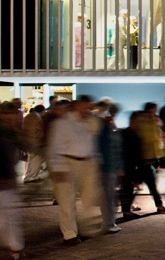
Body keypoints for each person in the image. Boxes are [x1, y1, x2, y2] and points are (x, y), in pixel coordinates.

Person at [47, 96, 103, 245]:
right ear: (77, 107)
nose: (88, 111)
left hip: (87, 163)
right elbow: (54, 147)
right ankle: (69, 234)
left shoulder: (87, 122)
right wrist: (58, 168)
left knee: (90, 198)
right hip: (68, 162)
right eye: (86, 107)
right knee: (67, 201)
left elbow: (93, 142)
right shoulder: (62, 123)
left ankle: (85, 228)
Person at [0, 99, 25, 260]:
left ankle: (13, 247)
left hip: (0, 178)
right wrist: (2, 175)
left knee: (5, 215)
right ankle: (12, 247)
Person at [135, 103, 165, 214]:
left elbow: (157, 140)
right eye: (153, 111)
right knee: (150, 182)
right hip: (145, 158)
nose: (154, 113)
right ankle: (159, 205)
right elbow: (145, 141)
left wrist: (161, 155)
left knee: (142, 181)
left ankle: (126, 204)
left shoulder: (153, 123)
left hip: (150, 157)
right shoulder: (143, 123)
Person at [97, 102, 123, 233]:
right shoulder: (106, 129)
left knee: (108, 196)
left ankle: (108, 222)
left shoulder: (105, 127)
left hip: (107, 166)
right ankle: (108, 223)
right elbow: (109, 149)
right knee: (109, 197)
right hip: (107, 167)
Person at [21, 104, 46, 184]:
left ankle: (32, 176)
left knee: (33, 159)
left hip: (29, 141)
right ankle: (31, 176)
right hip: (34, 141)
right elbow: (37, 130)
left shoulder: (29, 116)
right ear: (42, 111)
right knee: (35, 159)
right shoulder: (36, 118)